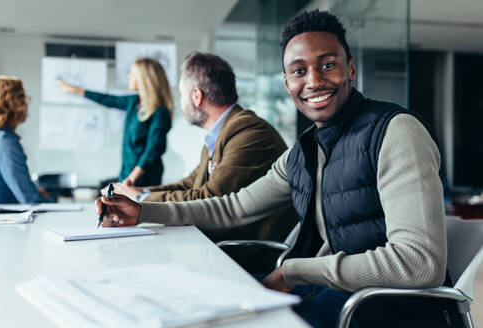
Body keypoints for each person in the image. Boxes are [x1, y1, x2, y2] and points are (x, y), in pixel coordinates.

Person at [95, 11, 458, 328]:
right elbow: (233, 206)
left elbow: (419, 262)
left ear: (350, 68)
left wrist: (294, 272)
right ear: (287, 84)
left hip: (379, 311)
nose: (313, 80)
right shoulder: (305, 150)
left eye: (327, 64)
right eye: (299, 71)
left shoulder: (395, 132)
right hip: (327, 293)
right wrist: (143, 211)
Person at [106, 52, 296, 246]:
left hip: (244, 253)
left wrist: (139, 198)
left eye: (181, 94)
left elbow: (209, 197)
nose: (180, 102)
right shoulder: (219, 134)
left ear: (196, 96)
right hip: (220, 243)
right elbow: (189, 184)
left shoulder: (249, 133)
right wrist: (136, 191)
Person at [58, 57, 173, 187]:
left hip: (144, 179)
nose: (129, 77)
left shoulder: (160, 112)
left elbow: (153, 150)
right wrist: (76, 90)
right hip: (126, 175)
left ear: (144, 78)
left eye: (132, 74)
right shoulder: (134, 102)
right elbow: (108, 100)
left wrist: (131, 178)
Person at [0, 76, 50, 203]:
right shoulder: (4, 140)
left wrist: (34, 190)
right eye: (23, 98)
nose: (26, 103)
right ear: (14, 103)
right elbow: (29, 198)